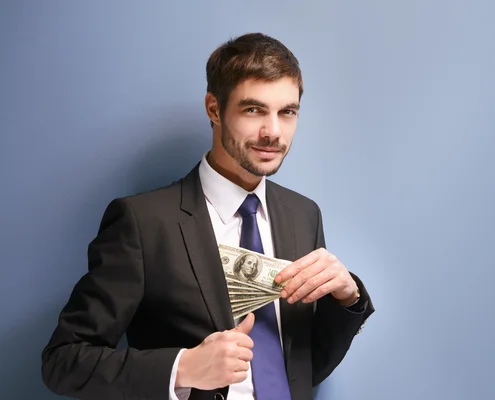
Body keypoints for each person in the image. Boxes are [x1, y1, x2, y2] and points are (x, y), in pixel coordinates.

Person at [41, 32, 375, 400]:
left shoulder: (304, 214)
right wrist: (183, 367)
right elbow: (63, 361)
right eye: (253, 110)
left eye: (287, 112)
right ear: (214, 109)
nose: (273, 132)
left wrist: (348, 300)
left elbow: (298, 369)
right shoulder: (143, 222)